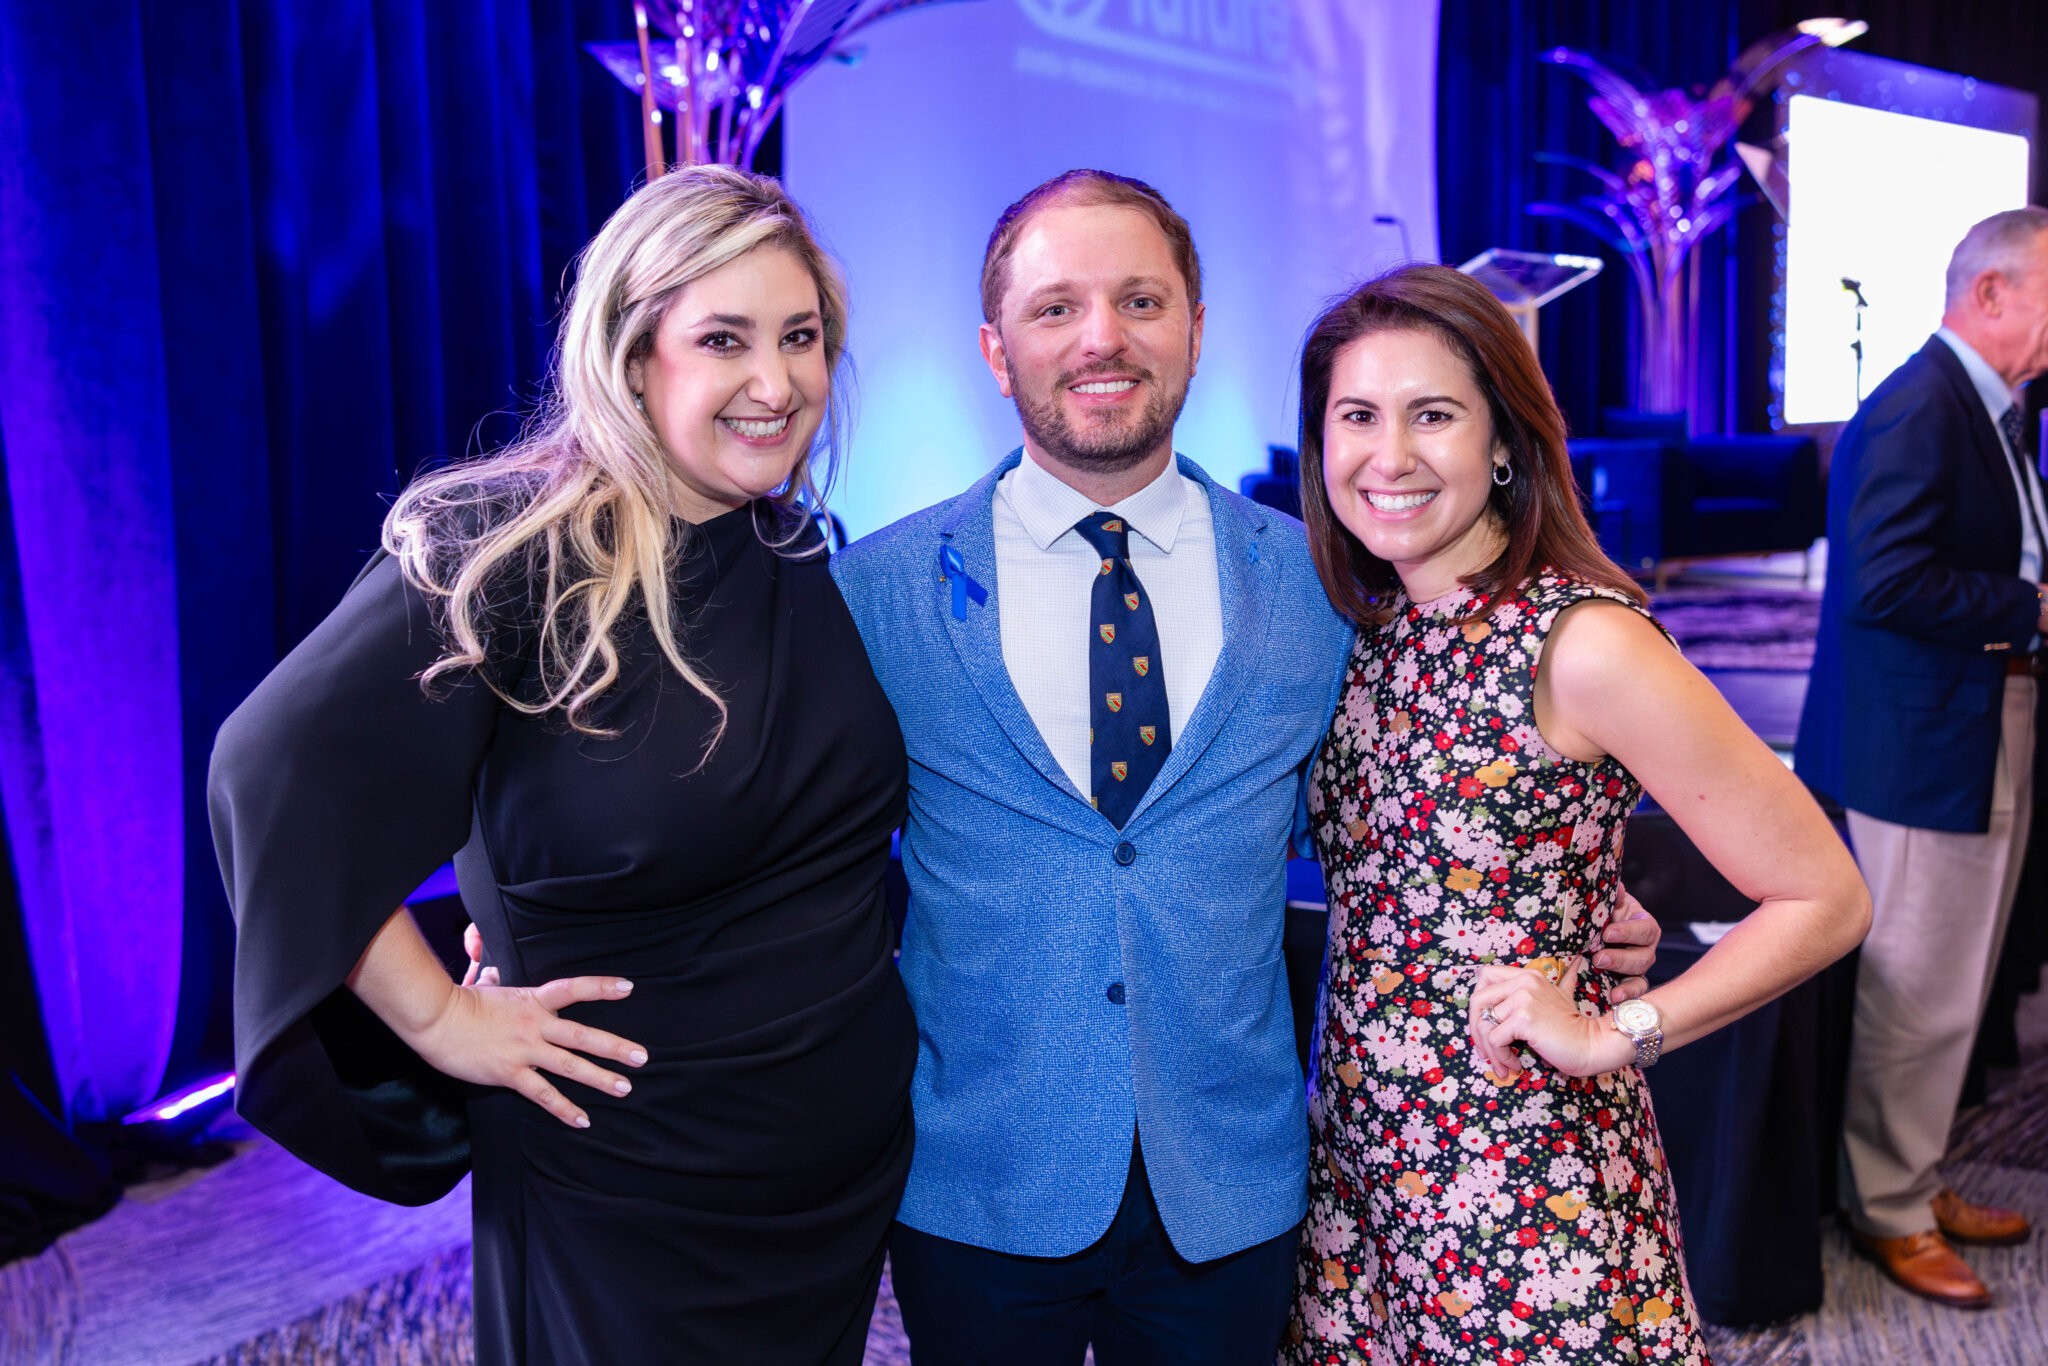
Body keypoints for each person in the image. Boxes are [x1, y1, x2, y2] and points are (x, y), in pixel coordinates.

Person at [827, 173, 1662, 1365]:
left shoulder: (1322, 588)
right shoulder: (878, 592)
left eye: (1140, 300)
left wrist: (1579, 896)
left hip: (1232, 1185)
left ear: (1197, 328)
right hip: (980, 1184)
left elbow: (1406, 799)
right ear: (995, 349)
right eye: (1056, 307)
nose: (1102, 338)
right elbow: (796, 843)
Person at [208, 165, 915, 1364]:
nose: (776, 381)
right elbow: (268, 775)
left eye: (801, 338)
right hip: (626, 1189)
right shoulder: (505, 556)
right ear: (636, 358)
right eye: (723, 339)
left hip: (826, 1182)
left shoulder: (795, 547)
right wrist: (436, 1015)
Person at [1282, 265, 1870, 1363]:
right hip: (1362, 1170)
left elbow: (1823, 894)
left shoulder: (1580, 641)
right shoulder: (1364, 634)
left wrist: (1612, 1035)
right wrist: (1581, 887)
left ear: (1503, 442)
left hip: (1522, 1182)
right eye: (1355, 416)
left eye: (1434, 414)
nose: (1389, 455)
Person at [1794, 206, 2048, 1309]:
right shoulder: (1916, 405)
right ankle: (1887, 1206)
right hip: (1921, 741)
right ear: (1988, 293)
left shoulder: (1985, 406)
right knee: (1914, 986)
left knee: (1952, 983)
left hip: (1969, 716)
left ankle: (1910, 1173)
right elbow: (1879, 583)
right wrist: (2031, 605)